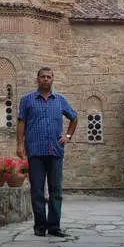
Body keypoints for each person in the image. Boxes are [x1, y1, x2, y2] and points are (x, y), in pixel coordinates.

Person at [16, 66, 78, 237]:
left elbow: (74, 117)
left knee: (56, 191)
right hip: (35, 151)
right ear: (37, 79)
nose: (45, 79)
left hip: (55, 151)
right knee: (37, 190)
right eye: (42, 76)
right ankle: (40, 226)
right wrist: (19, 145)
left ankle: (54, 226)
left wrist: (68, 135)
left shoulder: (60, 100)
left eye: (48, 77)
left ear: (53, 79)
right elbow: (21, 123)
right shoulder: (27, 100)